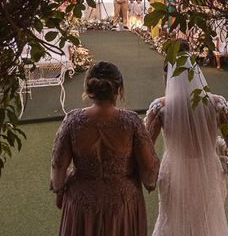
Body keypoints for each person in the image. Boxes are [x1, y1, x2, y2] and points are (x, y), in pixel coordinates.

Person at [51, 61, 160, 236]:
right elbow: (149, 169)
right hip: (123, 206)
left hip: (82, 205)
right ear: (118, 89)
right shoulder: (132, 122)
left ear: (89, 89)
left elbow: (58, 167)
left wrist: (59, 191)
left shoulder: (72, 120)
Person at [145, 43, 228, 236]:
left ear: (168, 74)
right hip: (208, 171)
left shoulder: (161, 108)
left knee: (172, 222)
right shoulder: (217, 104)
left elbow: (146, 147)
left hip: (174, 172)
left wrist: (150, 175)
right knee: (207, 223)